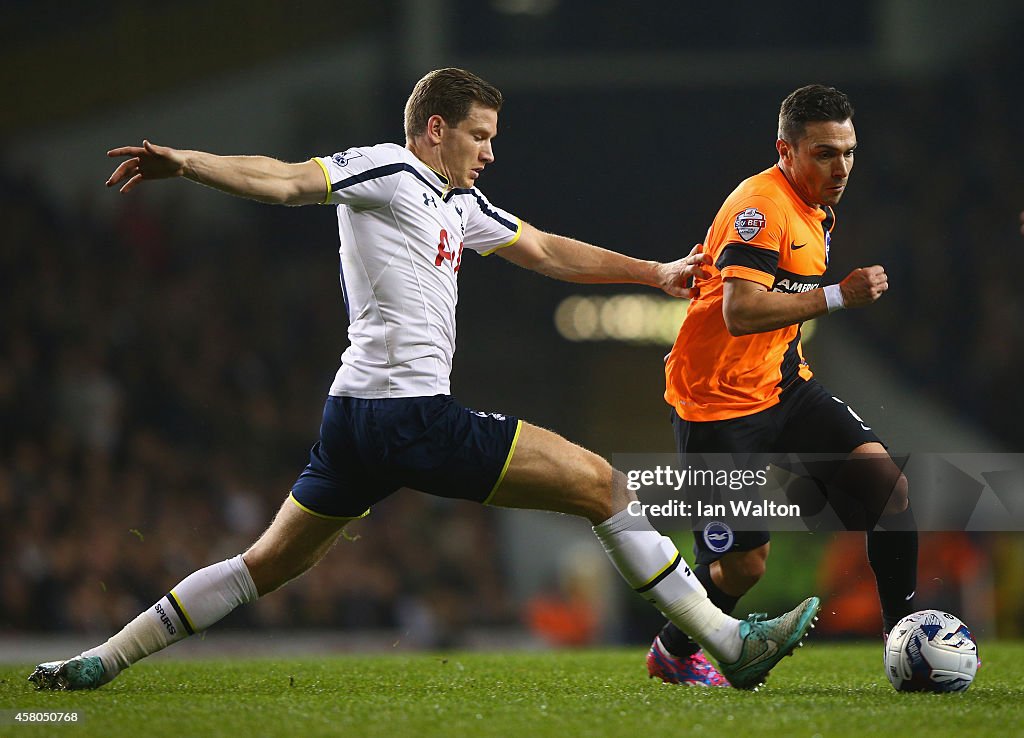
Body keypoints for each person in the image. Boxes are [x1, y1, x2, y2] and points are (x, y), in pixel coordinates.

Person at [29, 68, 818, 693]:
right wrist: (187, 163)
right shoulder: (388, 168)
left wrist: (656, 272)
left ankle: (102, 659)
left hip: (354, 422)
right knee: (603, 487)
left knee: (264, 566)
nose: (489, 151)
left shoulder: (456, 202)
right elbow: (282, 179)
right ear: (435, 128)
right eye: (479, 135)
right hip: (407, 416)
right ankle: (725, 640)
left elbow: (543, 250)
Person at [647, 84, 917, 687]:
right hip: (715, 401)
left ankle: (904, 640)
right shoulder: (761, 206)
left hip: (781, 383)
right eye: (824, 153)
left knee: (887, 490)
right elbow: (739, 313)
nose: (840, 167)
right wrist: (838, 296)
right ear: (786, 150)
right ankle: (672, 650)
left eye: (848, 151)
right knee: (744, 567)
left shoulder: (816, 204)